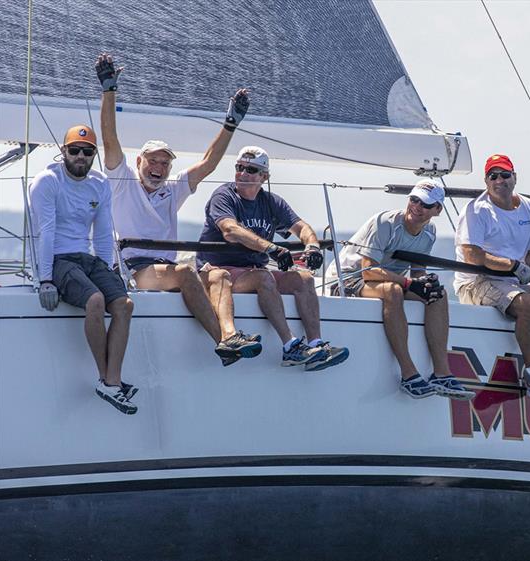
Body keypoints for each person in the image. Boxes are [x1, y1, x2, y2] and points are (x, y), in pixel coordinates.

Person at [96, 52, 260, 366]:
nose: (158, 167)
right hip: (132, 269)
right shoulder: (121, 180)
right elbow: (109, 137)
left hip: (162, 269)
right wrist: (109, 90)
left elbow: (209, 163)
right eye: (153, 160)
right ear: (139, 162)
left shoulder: (173, 190)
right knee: (186, 272)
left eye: (165, 162)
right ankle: (224, 341)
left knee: (216, 273)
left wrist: (231, 123)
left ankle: (230, 331)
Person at [197, 146, 348, 371]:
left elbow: (301, 227)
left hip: (251, 270)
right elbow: (230, 230)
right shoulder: (224, 195)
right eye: (239, 168)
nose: (243, 173)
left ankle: (316, 345)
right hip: (220, 270)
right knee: (263, 277)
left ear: (264, 177)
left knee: (304, 279)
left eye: (250, 169)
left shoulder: (271, 202)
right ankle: (290, 346)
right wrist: (271, 248)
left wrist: (313, 246)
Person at [327, 179, 474, 400]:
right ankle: (409, 374)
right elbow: (368, 272)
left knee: (438, 294)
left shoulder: (429, 232)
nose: (417, 207)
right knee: (393, 291)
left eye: (425, 204)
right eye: (414, 200)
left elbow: (417, 272)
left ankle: (441, 373)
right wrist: (408, 284)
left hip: (385, 281)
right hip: (346, 281)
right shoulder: (384, 223)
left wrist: (426, 282)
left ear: (437, 210)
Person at [29, 125, 137, 415]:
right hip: (59, 258)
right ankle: (109, 382)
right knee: (96, 301)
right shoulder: (47, 181)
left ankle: (111, 381)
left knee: (125, 304)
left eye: (87, 151)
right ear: (63, 151)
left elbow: (103, 234)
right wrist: (46, 279)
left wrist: (107, 267)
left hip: (87, 258)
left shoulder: (100, 183)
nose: (80, 156)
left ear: (93, 155)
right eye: (74, 150)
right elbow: (46, 231)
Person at [454, 154, 530, 407]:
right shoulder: (476, 210)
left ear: (514, 178)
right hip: (476, 281)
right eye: (493, 176)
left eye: (505, 175)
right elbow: (472, 255)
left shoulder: (529, 207)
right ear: (486, 181)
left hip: (514, 284)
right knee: (527, 304)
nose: (499, 181)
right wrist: (513, 266)